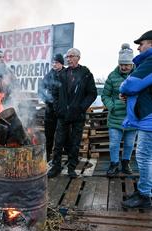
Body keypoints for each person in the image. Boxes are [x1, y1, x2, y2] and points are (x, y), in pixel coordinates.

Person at [48, 48, 97, 178]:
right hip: (63, 114)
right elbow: (55, 92)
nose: (68, 59)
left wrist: (82, 107)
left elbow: (92, 93)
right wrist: (57, 108)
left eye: (71, 56)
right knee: (58, 141)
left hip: (78, 115)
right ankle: (55, 167)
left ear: (78, 57)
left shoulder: (85, 73)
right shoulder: (62, 74)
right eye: (67, 57)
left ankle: (71, 168)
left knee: (75, 142)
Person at [120, 30, 152, 209]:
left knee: (144, 157)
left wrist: (125, 89)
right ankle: (144, 190)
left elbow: (131, 84)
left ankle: (145, 195)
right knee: (147, 157)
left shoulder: (151, 61)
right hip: (148, 118)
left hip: (149, 119)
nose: (139, 47)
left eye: (142, 43)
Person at [101, 43, 137, 177]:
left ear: (132, 64)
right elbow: (105, 95)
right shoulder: (112, 76)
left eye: (127, 64)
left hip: (132, 117)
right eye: (122, 64)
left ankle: (125, 163)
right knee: (114, 144)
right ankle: (114, 164)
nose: (124, 67)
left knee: (129, 144)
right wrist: (113, 106)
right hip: (116, 117)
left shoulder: (138, 74)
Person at [39, 54, 65, 162]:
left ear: (61, 63)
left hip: (62, 110)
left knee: (61, 136)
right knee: (48, 134)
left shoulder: (66, 74)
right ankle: (47, 155)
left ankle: (58, 158)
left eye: (57, 62)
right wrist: (46, 100)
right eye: (53, 62)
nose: (54, 64)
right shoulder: (49, 75)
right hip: (50, 110)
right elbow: (40, 89)